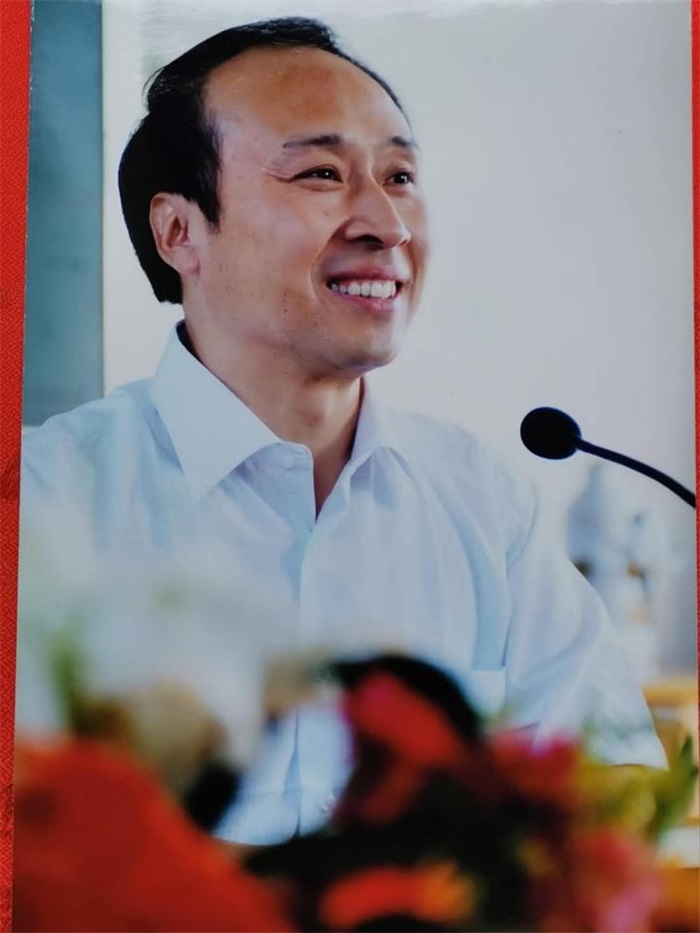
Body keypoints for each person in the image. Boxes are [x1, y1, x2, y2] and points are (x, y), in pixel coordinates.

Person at [19, 17, 665, 845]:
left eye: (400, 176)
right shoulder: (47, 501)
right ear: (179, 231)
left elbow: (612, 797)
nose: (386, 223)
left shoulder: (483, 498)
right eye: (321, 173)